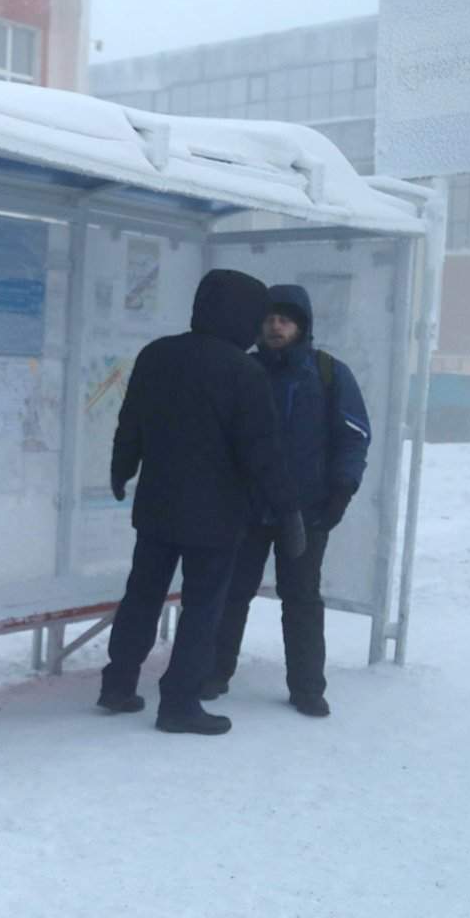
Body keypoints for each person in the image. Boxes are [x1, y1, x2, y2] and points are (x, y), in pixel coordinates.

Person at [99, 269, 306, 736]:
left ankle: (117, 683)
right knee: (202, 608)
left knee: (141, 595)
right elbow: (262, 452)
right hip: (215, 517)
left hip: (156, 506)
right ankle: (179, 703)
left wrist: (121, 467)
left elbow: (130, 421)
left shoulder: (157, 354)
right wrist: (288, 509)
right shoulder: (245, 372)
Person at [204, 284, 372, 717]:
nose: (275, 326)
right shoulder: (243, 369)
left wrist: (341, 491)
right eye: (268, 319)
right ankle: (214, 672)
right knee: (231, 593)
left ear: (302, 326)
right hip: (247, 508)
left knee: (301, 598)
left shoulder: (328, 373)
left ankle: (307, 688)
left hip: (307, 511)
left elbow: (353, 437)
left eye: (285, 319)